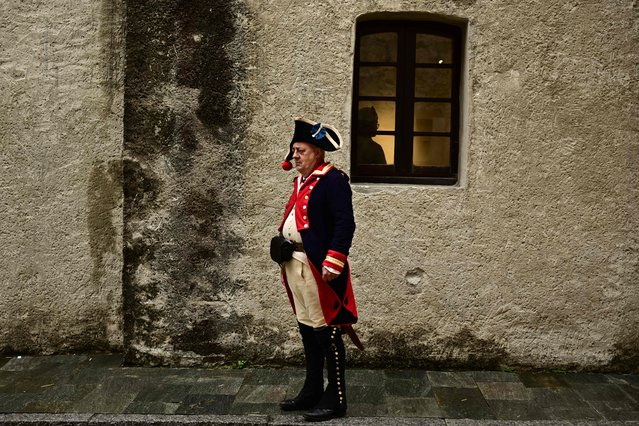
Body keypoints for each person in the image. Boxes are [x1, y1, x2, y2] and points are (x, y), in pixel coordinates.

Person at [277, 117, 359, 422]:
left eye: (301, 150)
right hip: (295, 265)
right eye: (293, 150)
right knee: (307, 331)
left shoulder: (333, 180)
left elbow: (344, 223)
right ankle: (312, 390)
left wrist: (334, 261)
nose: (295, 155)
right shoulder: (302, 180)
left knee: (327, 333)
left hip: (318, 268)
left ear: (318, 153)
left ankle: (336, 398)